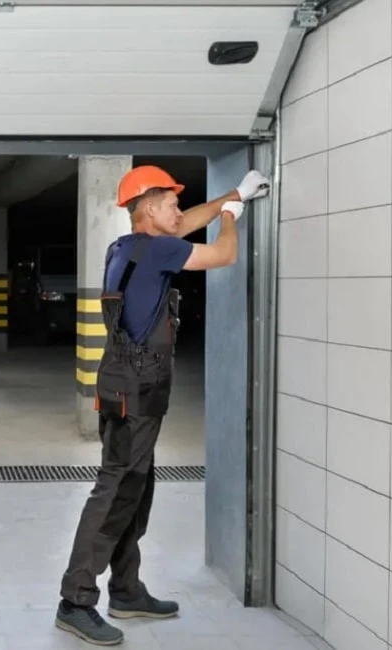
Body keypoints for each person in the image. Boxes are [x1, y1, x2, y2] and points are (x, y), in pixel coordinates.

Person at [54, 164, 271, 646]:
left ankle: (126, 591)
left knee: (135, 489)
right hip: (136, 390)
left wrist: (234, 194)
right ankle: (75, 601)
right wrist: (231, 216)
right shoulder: (159, 250)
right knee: (115, 492)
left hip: (127, 387)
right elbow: (224, 254)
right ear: (150, 208)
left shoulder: (127, 248)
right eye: (171, 203)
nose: (179, 210)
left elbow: (185, 224)